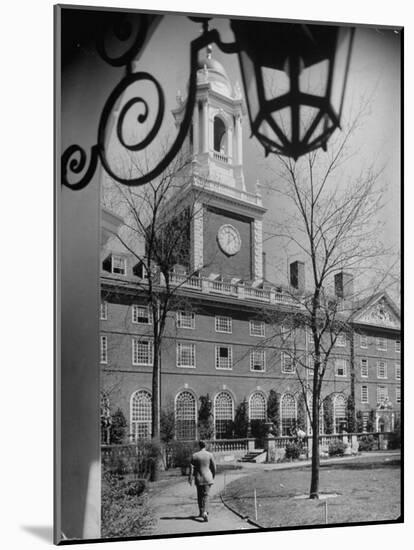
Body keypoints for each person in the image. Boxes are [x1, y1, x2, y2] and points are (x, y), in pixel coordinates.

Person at [188, 440, 216, 522]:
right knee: (206, 495)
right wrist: (212, 476)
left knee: (200, 496)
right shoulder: (210, 455)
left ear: (199, 446)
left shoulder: (194, 455)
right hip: (208, 478)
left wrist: (190, 477)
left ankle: (201, 511)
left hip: (198, 478)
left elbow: (191, 468)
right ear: (205, 446)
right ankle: (205, 512)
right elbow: (214, 467)